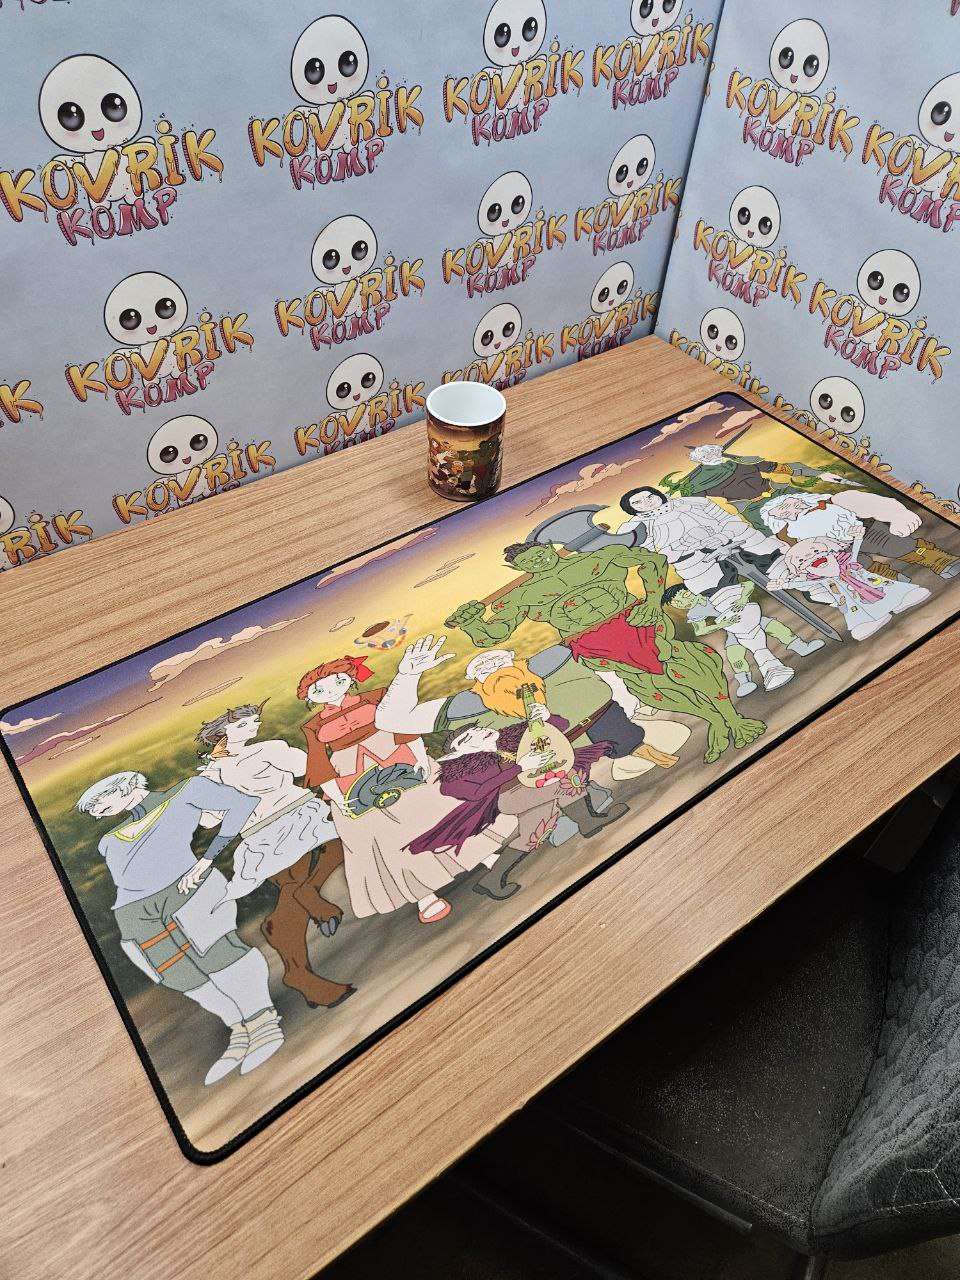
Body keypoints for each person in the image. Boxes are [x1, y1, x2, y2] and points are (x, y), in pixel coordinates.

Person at [446, 540, 765, 765]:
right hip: (591, 642)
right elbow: (495, 634)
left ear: (551, 547)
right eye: (528, 563)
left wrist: (653, 602)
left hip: (635, 619)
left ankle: (734, 720)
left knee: (686, 664)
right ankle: (717, 721)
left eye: (539, 554)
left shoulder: (597, 559)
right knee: (650, 689)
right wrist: (472, 623)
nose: (537, 562)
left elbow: (652, 560)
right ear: (518, 568)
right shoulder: (524, 595)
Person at [76, 769, 283, 1086]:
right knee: (175, 974)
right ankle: (239, 1028)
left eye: (99, 803)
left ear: (125, 786)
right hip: (134, 915)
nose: (97, 813)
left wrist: (206, 861)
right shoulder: (109, 840)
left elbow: (242, 804)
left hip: (187, 889)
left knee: (220, 955)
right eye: (93, 811)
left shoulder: (185, 793)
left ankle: (264, 1023)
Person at [298, 654, 511, 924]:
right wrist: (339, 798)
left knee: (438, 808)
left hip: (397, 753)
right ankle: (423, 894)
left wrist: (420, 757)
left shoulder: (376, 696)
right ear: (311, 697)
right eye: (319, 690)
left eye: (338, 681)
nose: (330, 691)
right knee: (380, 835)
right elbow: (318, 765)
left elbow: (403, 727)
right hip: (351, 776)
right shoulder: (312, 725)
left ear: (350, 680)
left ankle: (481, 854)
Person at [197, 702, 354, 1010]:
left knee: (335, 849)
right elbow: (208, 820)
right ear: (220, 734)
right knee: (296, 883)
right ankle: (300, 971)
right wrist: (211, 781)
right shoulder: (213, 774)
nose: (253, 727)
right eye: (243, 724)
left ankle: (297, 918)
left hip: (303, 815)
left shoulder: (268, 749)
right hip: (263, 835)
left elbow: (307, 767)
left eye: (254, 721)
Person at [615, 486, 787, 598]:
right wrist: (685, 546)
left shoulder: (694, 503)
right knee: (731, 606)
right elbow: (651, 555)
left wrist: (722, 536)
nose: (646, 503)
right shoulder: (635, 528)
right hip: (695, 563)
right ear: (631, 509)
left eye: (650, 497)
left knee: (782, 567)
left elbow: (728, 519)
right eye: (638, 502)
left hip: (734, 541)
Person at [759, 489, 959, 582]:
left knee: (900, 546)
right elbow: (791, 554)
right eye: (782, 511)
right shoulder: (789, 533)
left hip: (868, 531)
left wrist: (897, 515)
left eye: (789, 504)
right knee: (861, 568)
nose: (789, 510)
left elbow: (868, 503)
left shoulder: (830, 502)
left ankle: (940, 561)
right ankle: (890, 580)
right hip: (840, 551)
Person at [663, 581, 823, 696]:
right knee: (734, 654)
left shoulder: (710, 591)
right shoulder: (694, 612)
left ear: (691, 590)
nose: (683, 603)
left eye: (684, 596)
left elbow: (748, 584)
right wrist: (722, 624)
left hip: (749, 615)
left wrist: (742, 599)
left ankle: (801, 646)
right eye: (677, 603)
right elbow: (700, 630)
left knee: (775, 627)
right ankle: (745, 681)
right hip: (733, 628)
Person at [768, 539, 931, 641]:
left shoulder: (848, 562)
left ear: (829, 551)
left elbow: (855, 549)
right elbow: (802, 584)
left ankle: (903, 599)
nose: (813, 558)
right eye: (803, 560)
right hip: (852, 602)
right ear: (801, 569)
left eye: (816, 552)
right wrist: (784, 584)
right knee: (856, 611)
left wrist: (858, 536)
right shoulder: (819, 579)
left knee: (887, 587)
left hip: (873, 584)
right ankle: (868, 622)